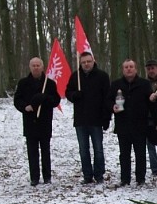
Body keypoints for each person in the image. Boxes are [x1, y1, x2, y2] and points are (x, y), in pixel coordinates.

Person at [13, 56, 60, 185]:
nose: (36, 67)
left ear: (42, 67)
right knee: (32, 151)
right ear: (30, 67)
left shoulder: (49, 83)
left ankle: (47, 176)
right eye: (33, 65)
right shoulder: (23, 83)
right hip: (30, 122)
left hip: (44, 121)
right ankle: (34, 177)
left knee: (46, 151)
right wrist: (25, 107)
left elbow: (56, 100)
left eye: (38, 65)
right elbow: (17, 100)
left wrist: (45, 98)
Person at [65, 51, 111, 184]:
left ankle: (99, 174)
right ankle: (87, 175)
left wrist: (106, 118)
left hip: (96, 119)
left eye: (88, 61)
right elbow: (67, 92)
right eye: (83, 62)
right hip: (80, 120)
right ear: (80, 63)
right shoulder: (75, 76)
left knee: (98, 149)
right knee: (83, 150)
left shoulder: (102, 76)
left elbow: (107, 98)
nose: (86, 64)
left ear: (93, 61)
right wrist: (74, 95)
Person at [107, 59, 152, 186]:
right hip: (123, 124)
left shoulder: (144, 84)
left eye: (131, 67)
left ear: (136, 69)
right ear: (123, 70)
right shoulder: (116, 84)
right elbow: (108, 100)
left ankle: (140, 178)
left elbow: (150, 103)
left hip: (140, 124)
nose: (129, 69)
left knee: (140, 153)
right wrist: (112, 107)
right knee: (124, 154)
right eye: (126, 67)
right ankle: (125, 179)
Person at [144, 59, 157, 177]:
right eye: (149, 69)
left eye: (153, 68)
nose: (151, 71)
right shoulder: (145, 84)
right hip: (149, 118)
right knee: (150, 144)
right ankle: (155, 168)